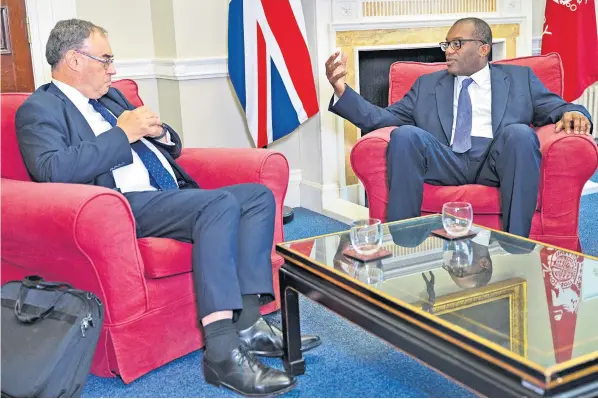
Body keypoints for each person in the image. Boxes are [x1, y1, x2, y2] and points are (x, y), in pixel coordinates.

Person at [16, 19, 321, 397]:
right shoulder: (39, 108)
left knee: (257, 197)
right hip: (119, 207)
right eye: (106, 59)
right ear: (75, 59)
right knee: (219, 205)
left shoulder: (112, 98)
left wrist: (159, 133)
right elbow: (51, 171)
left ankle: (249, 323)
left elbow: (172, 147)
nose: (113, 69)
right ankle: (222, 352)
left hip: (165, 193)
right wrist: (122, 133)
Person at [325, 17, 593, 238]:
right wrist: (341, 89)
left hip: (496, 161)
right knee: (404, 135)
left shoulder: (520, 79)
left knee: (521, 134)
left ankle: (517, 247)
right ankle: (401, 245)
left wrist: (575, 112)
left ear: (483, 48)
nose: (448, 50)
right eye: (447, 44)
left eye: (456, 44)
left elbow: (557, 106)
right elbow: (379, 120)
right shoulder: (426, 85)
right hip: (446, 159)